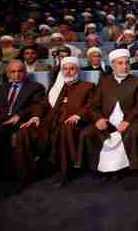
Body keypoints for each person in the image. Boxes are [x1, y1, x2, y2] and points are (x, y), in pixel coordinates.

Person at [79, 49, 138, 175]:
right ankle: (97, 168)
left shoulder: (137, 81)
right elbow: (93, 106)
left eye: (127, 63)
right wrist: (98, 119)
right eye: (120, 63)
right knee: (87, 133)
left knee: (133, 131)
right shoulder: (104, 81)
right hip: (106, 120)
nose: (125, 66)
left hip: (130, 120)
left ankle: (125, 168)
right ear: (112, 65)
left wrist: (127, 121)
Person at [0, 60, 48, 190]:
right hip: (1, 119)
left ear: (25, 72)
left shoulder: (35, 87)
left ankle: (6, 176)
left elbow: (37, 105)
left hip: (21, 120)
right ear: (8, 74)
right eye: (13, 72)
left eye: (20, 71)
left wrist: (19, 116)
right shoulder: (1, 88)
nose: (17, 75)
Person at [46, 57, 95, 185]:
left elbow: (91, 106)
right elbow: (43, 104)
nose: (68, 72)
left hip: (75, 121)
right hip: (54, 119)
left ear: (78, 70)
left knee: (65, 128)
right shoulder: (55, 88)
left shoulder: (88, 86)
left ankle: (66, 170)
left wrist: (78, 115)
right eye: (65, 69)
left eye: (72, 69)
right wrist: (35, 116)